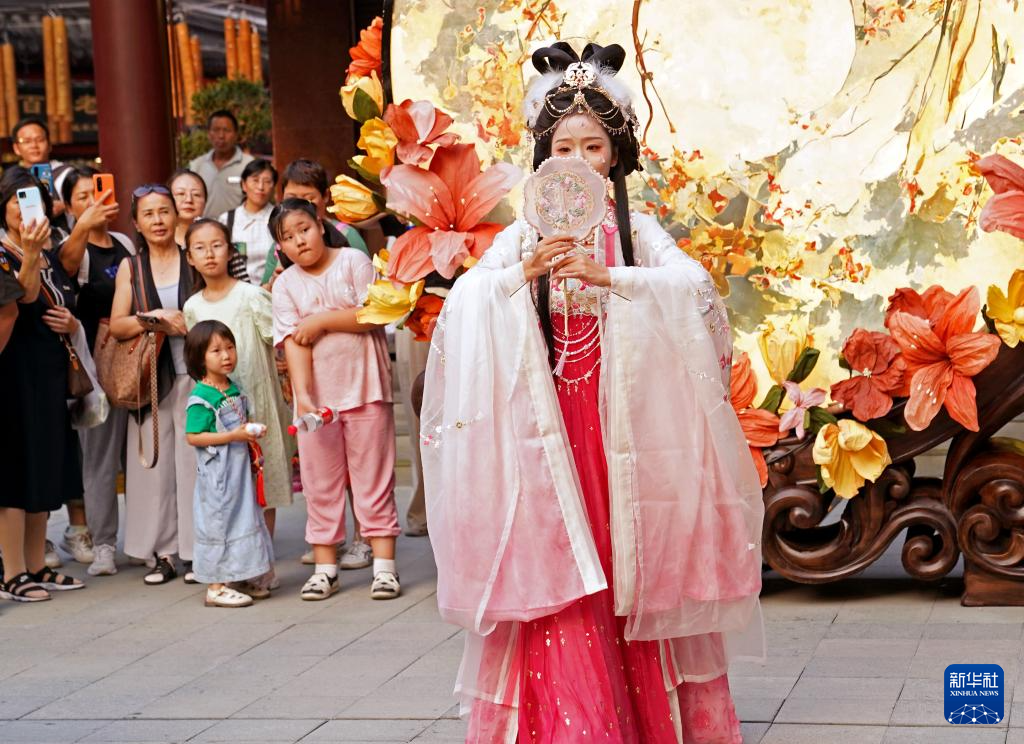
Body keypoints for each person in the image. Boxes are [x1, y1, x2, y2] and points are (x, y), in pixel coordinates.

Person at [420, 42, 764, 742]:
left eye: (593, 146)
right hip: (549, 429)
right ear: (544, 156)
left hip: (623, 426)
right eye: (564, 147)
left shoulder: (633, 231)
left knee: (628, 556)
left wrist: (616, 279)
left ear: (616, 156)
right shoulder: (523, 234)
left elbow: (695, 290)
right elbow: (464, 305)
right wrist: (521, 275)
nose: (578, 159)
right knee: (561, 559)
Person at [270, 199, 401, 601]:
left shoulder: (352, 261)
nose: (299, 241)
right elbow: (293, 342)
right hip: (318, 403)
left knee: (373, 479)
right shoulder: (285, 285)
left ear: (320, 224)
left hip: (366, 389)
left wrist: (322, 320)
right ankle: (325, 568)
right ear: (280, 247)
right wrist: (304, 398)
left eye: (303, 229)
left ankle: (384, 567)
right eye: (288, 237)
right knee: (320, 483)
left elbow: (375, 313)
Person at [183, 219, 294, 565]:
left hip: (257, 402)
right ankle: (233, 564)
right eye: (200, 248)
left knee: (263, 483)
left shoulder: (251, 296)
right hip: (219, 413)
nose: (210, 254)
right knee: (227, 486)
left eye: (217, 245)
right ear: (189, 257)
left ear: (230, 251)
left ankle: (261, 562)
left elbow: (281, 340)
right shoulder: (192, 307)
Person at [0, 167, 85, 601]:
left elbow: (64, 297)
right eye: (16, 199)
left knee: (43, 467)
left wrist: (71, 321)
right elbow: (26, 297)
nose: (24, 208)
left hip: (48, 373)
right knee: (15, 472)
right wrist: (30, 253)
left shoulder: (49, 249)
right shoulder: (4, 252)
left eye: (31, 198)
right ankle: (12, 572)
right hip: (13, 373)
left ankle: (36, 565)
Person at [109, 184, 196, 585]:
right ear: (137, 223)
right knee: (156, 471)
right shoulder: (132, 266)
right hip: (152, 379)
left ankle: (197, 550)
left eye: (164, 211)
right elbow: (118, 324)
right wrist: (155, 318)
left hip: (195, 373)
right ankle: (165, 552)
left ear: (176, 215)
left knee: (194, 465)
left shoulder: (192, 255)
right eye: (148, 214)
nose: (158, 220)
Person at [58, 166, 135, 575]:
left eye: (98, 192)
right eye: (83, 196)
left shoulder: (124, 242)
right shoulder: (75, 247)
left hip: (132, 362)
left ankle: (144, 540)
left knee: (136, 459)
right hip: (94, 366)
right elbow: (66, 271)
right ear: (68, 206)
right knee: (100, 460)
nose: (94, 201)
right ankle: (103, 543)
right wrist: (82, 227)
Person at [184, 320, 275, 608]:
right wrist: (233, 435)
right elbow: (193, 436)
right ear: (200, 357)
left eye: (230, 347)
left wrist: (250, 432)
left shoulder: (233, 388)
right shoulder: (201, 396)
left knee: (242, 520)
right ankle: (216, 586)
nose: (226, 356)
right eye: (216, 351)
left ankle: (240, 576)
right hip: (218, 477)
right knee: (219, 524)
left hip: (239, 473)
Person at [280, 159, 368, 254]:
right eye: (291, 198)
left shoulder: (347, 236)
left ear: (325, 195)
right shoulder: (280, 244)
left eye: (308, 198)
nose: (299, 206)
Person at [218, 159, 277, 286]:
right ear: (244, 184)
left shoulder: (279, 218)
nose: (261, 187)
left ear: (273, 187)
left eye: (267, 182)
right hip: (235, 291)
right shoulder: (227, 219)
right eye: (255, 180)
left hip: (271, 290)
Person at [9, 117, 70, 235]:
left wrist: (65, 206)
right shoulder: (11, 179)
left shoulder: (66, 173)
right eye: (26, 141)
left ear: (50, 144)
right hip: (21, 237)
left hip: (61, 236)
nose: (34, 145)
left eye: (40, 140)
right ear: (16, 148)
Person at [188, 110, 254, 219]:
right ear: (209, 134)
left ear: (236, 134)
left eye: (226, 130)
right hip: (204, 227)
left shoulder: (248, 164)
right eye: (216, 130)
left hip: (238, 227)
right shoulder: (197, 165)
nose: (221, 136)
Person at [169, 169, 208, 248]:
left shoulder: (215, 236)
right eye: (181, 193)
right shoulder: (157, 238)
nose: (189, 200)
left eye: (196, 194)